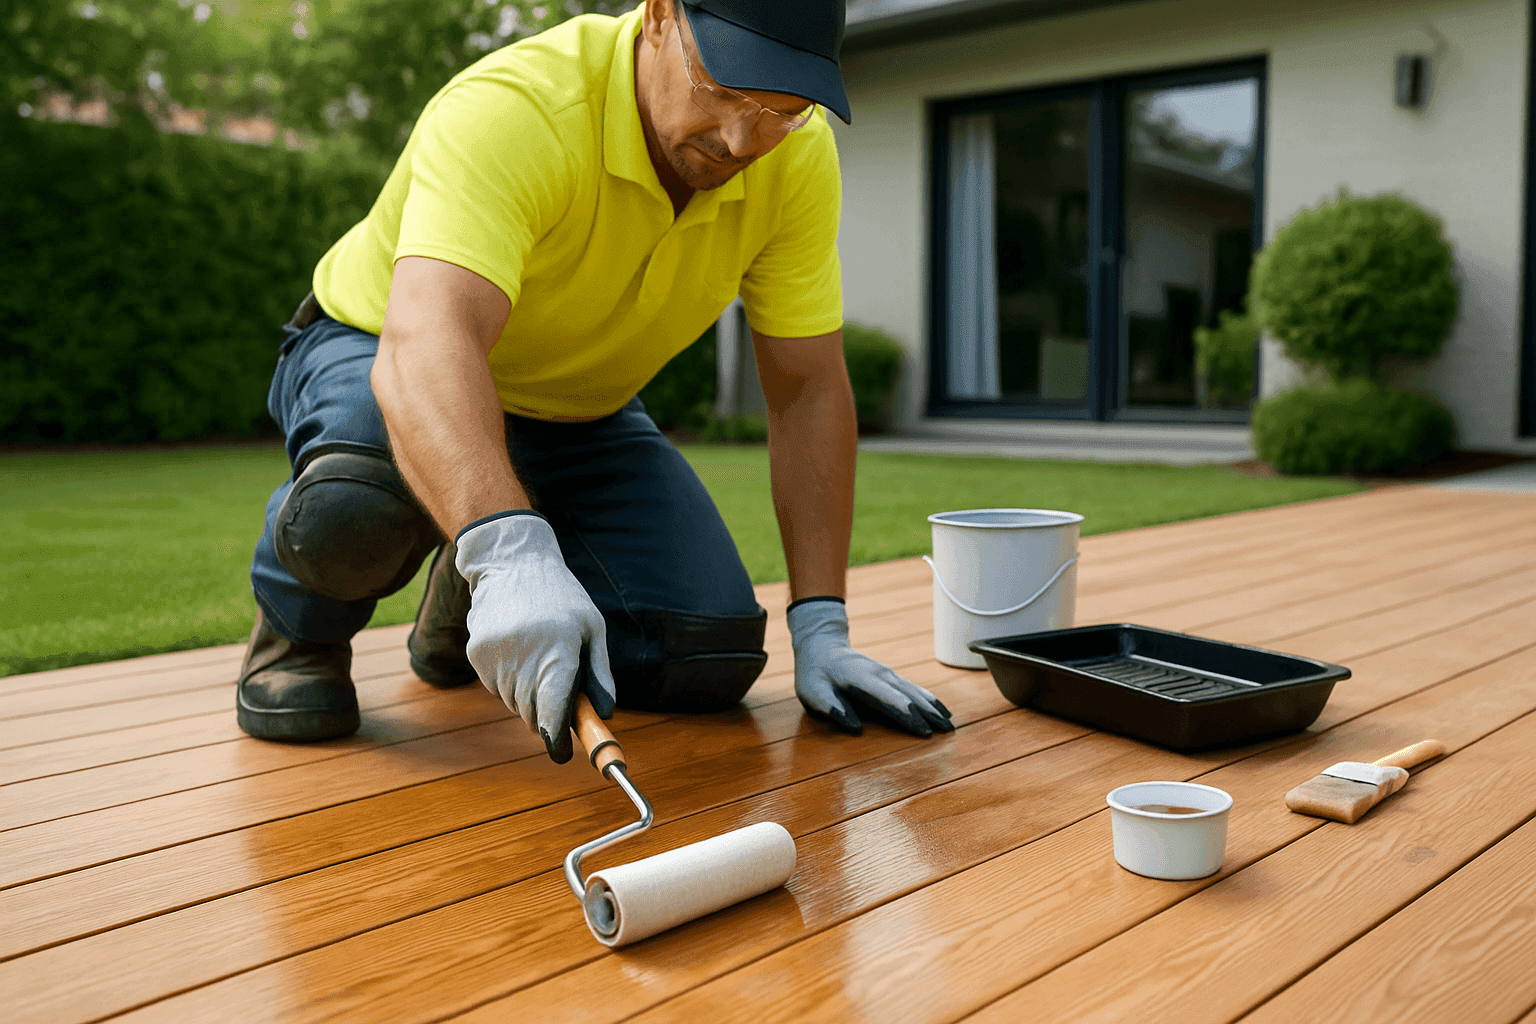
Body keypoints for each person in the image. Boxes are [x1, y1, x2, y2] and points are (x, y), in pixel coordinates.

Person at [238, 0, 953, 762]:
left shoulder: (795, 157)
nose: (743, 140)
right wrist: (508, 555)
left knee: (704, 654)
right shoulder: (519, 109)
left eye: (782, 111)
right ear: (660, 16)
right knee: (354, 509)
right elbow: (429, 342)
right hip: (380, 345)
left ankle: (464, 573)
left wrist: (821, 625)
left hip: (577, 409)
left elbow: (807, 390)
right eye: (723, 91)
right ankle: (299, 640)